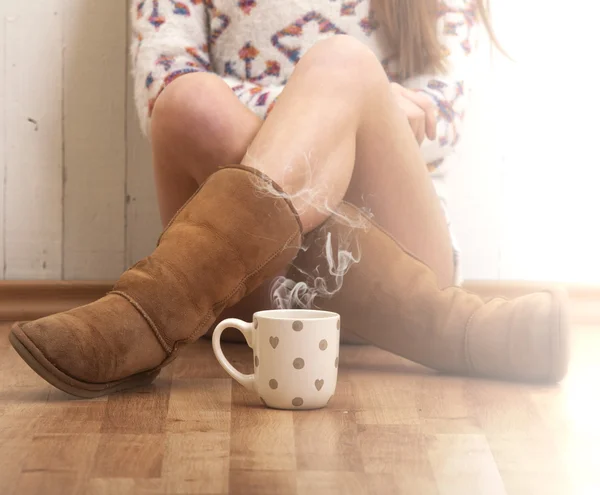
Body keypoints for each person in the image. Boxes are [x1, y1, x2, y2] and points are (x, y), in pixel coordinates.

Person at [8, 0, 569, 398]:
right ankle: (459, 330)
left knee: (343, 61)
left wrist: (344, 89)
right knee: (190, 101)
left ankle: (151, 312)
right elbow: (160, 80)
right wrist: (328, 106)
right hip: (249, 287)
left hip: (403, 246)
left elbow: (441, 112)